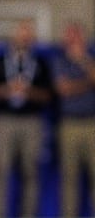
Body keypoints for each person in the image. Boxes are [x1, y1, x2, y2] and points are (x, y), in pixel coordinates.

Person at [0, 18, 53, 218]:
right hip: (4, 121)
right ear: (13, 36)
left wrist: (28, 92)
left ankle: (29, 214)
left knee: (31, 172)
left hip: (31, 121)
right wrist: (8, 90)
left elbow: (48, 95)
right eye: (21, 33)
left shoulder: (40, 63)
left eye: (28, 34)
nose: (24, 37)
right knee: (0, 170)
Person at [51, 21, 95, 217]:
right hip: (68, 125)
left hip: (91, 124)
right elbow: (63, 90)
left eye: (75, 36)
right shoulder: (59, 61)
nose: (72, 41)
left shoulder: (90, 59)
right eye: (69, 37)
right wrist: (86, 83)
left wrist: (83, 60)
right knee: (69, 177)